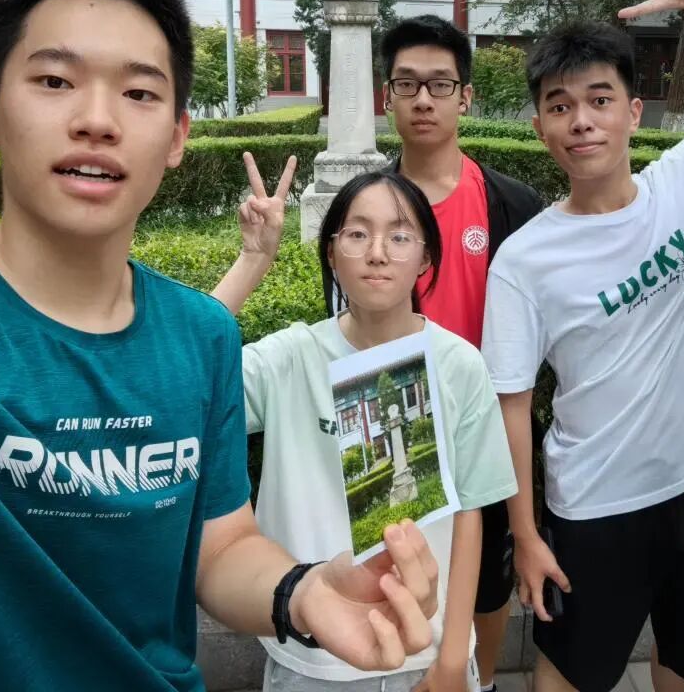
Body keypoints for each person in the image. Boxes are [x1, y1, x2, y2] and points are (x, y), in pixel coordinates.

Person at [0, 0, 440, 692]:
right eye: (55, 81)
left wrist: (303, 591)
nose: (97, 120)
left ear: (178, 137)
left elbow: (221, 548)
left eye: (138, 92)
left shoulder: (201, 335)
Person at [479, 0, 684, 692]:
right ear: (540, 127)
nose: (581, 120)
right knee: (566, 680)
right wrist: (526, 534)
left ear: (633, 112)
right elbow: (510, 405)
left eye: (599, 99)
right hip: (593, 508)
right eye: (560, 105)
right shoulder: (523, 261)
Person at [212, 169, 518, 692]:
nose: (377, 253)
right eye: (357, 234)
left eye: (399, 236)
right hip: (311, 658)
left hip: (427, 655)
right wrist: (253, 260)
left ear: (425, 257)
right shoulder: (290, 358)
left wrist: (451, 658)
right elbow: (182, 384)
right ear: (331, 253)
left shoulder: (458, 364)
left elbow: (471, 513)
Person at [379, 15, 543, 692]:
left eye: (439, 85)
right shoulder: (368, 210)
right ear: (388, 96)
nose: (423, 99)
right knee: (400, 573)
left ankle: (484, 681)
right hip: (401, 433)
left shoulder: (513, 206)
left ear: (465, 97)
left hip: (488, 430)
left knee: (488, 583)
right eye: (407, 84)